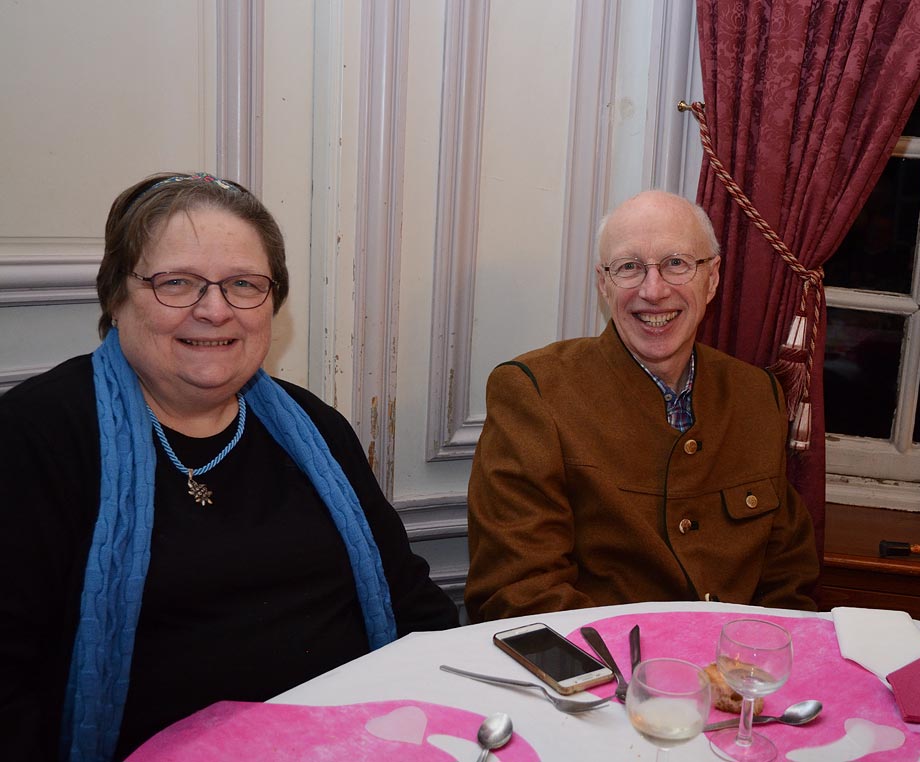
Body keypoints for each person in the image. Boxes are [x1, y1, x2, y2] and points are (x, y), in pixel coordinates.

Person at [0, 172, 458, 761]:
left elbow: (411, 602)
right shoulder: (35, 437)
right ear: (116, 298)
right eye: (177, 283)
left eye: (243, 284)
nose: (214, 310)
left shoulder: (316, 428)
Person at [465, 190, 818, 622]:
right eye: (630, 267)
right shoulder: (534, 394)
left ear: (712, 279)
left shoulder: (758, 394)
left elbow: (788, 582)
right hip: (605, 678)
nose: (654, 291)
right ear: (603, 283)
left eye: (676, 263)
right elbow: (518, 594)